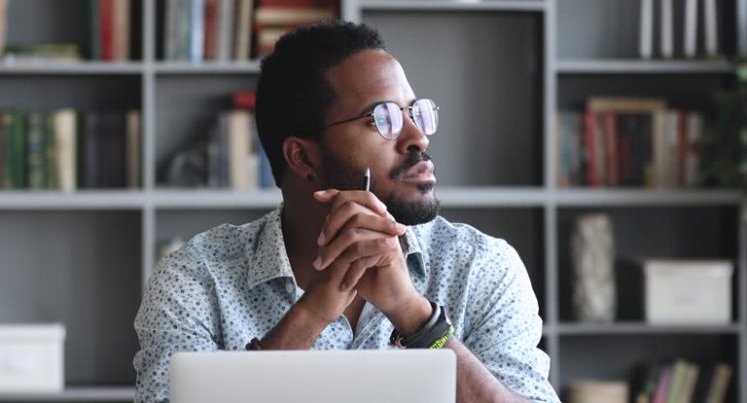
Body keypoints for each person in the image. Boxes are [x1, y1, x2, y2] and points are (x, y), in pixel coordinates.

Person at [133, 20, 560, 403]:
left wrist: (415, 317)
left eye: (415, 113)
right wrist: (312, 314)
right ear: (302, 158)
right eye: (384, 119)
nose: (418, 138)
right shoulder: (197, 280)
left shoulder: (481, 268)